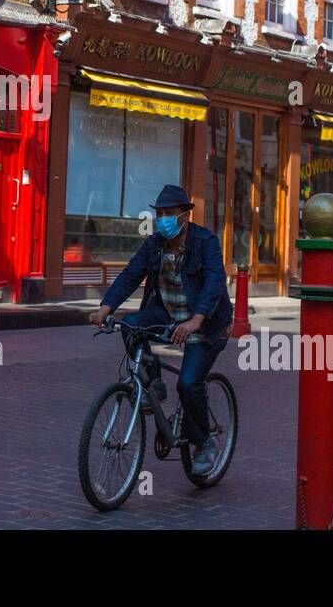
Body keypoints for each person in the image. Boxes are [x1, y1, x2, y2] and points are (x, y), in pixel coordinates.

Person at [88, 183, 232, 476]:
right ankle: (154, 384)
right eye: (160, 213)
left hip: (206, 324)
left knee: (190, 383)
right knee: (130, 325)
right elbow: (130, 275)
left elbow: (214, 283)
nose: (164, 219)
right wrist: (106, 307)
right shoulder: (154, 244)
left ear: (185, 216)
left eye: (170, 213)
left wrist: (196, 321)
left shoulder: (205, 242)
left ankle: (204, 444)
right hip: (167, 314)